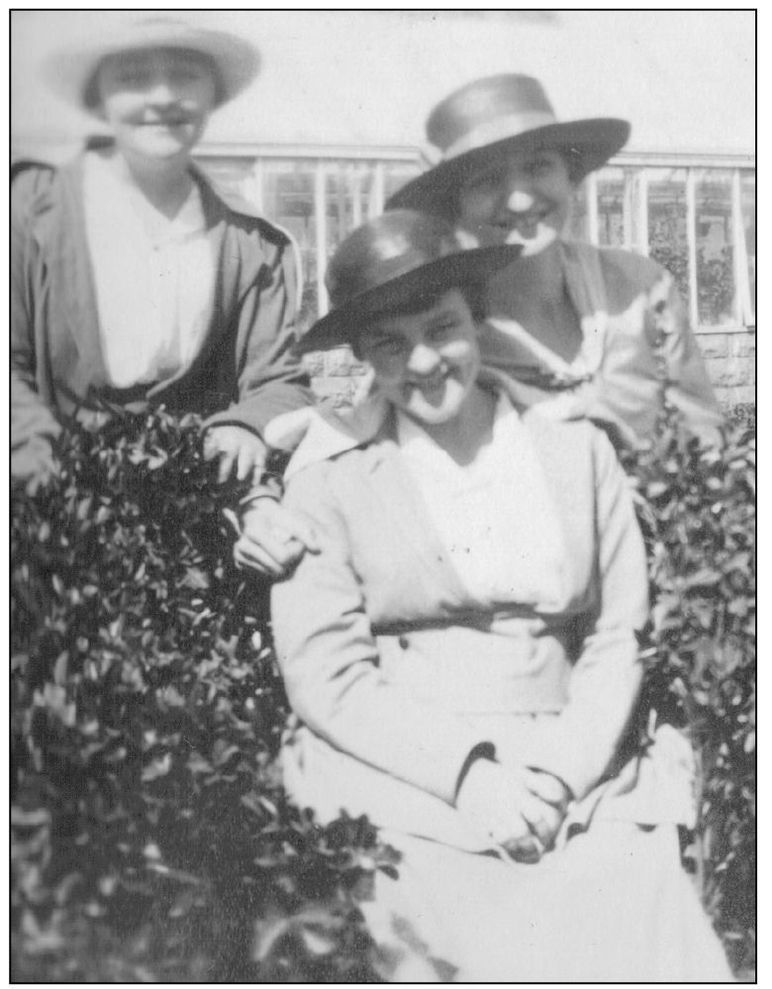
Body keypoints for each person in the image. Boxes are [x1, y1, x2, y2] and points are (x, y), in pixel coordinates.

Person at [270, 211, 732, 982]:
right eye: (389, 342)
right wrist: (468, 775)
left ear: (475, 320)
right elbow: (325, 672)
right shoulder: (330, 479)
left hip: (575, 759)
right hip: (406, 770)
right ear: (359, 357)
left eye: (441, 326)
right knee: (442, 928)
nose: (423, 360)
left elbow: (619, 631)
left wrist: (558, 772)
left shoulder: (575, 449)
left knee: (630, 908)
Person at [11, 15, 311, 491]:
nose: (162, 97)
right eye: (132, 78)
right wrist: (43, 468)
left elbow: (278, 379)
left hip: (188, 486)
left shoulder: (251, 241)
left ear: (213, 94)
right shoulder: (28, 209)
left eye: (185, 76)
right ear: (99, 96)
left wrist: (245, 425)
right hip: (45, 488)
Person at [386, 73, 723, 451]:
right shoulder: (442, 329)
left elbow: (704, 439)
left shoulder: (640, 288)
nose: (519, 201)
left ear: (570, 176)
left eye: (538, 167)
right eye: (487, 180)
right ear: (455, 207)